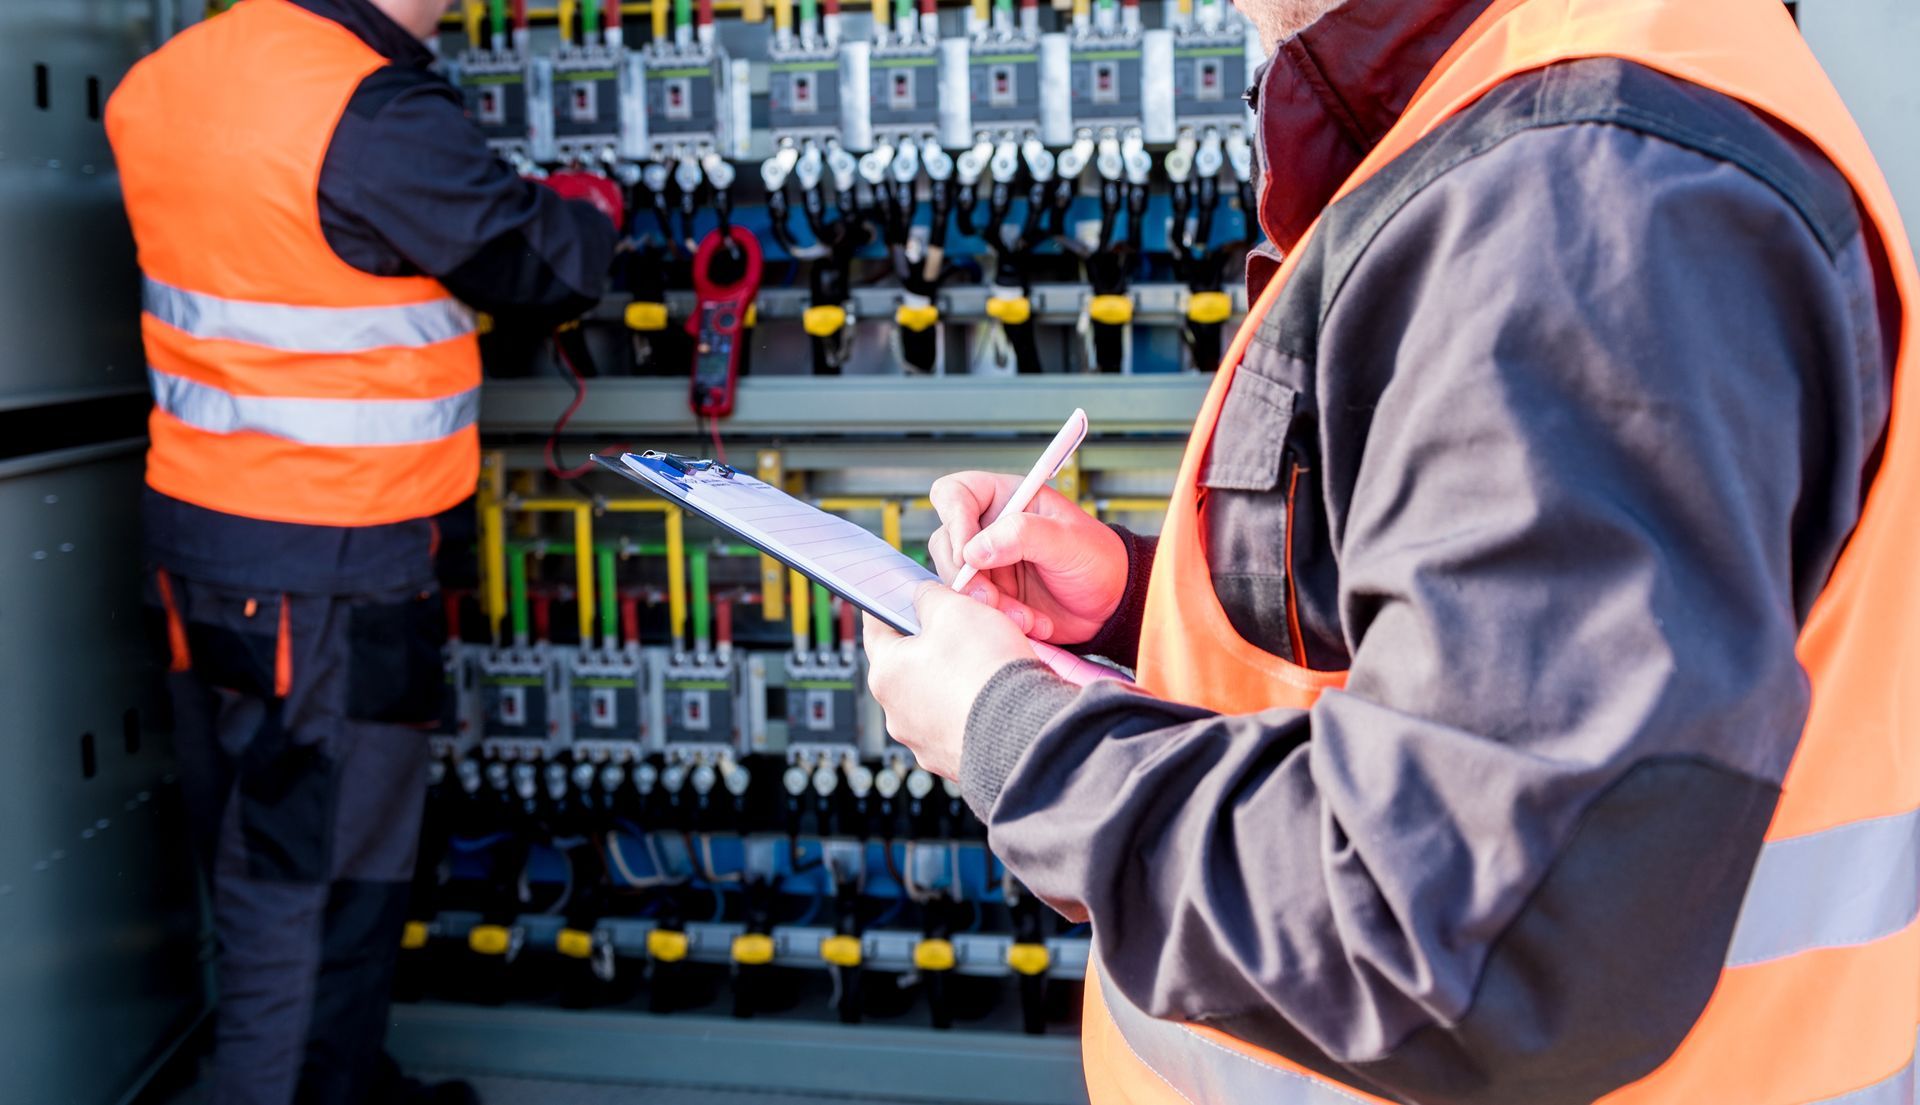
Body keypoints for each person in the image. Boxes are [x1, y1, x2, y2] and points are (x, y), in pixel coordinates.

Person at [864, 0, 1920, 1102]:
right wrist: (1133, 603)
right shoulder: (1533, 131)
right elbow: (1489, 659)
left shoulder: (1582, 187)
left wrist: (1021, 740)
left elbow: (1472, 935)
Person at [104, 0, 618, 1099]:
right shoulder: (362, 107)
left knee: (265, 856)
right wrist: (589, 209)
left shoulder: (167, 74)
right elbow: (542, 269)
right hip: (328, 569)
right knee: (315, 885)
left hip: (207, 540)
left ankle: (343, 1080)